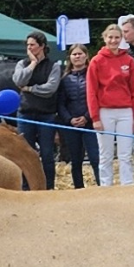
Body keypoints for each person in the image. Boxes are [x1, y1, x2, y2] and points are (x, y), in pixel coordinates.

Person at [85, 23, 134, 185]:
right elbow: (91, 91)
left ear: (121, 39)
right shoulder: (96, 61)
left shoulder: (129, 60)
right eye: (110, 37)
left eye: (117, 37)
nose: (113, 40)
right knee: (106, 154)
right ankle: (106, 185)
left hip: (126, 111)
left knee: (125, 153)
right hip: (105, 111)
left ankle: (127, 184)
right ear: (104, 38)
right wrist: (95, 117)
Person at [13, 32, 65, 188]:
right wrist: (33, 64)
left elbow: (50, 88)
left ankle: (48, 186)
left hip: (46, 115)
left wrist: (30, 89)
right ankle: (26, 187)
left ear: (42, 46)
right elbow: (18, 80)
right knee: (25, 153)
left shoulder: (53, 66)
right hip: (25, 113)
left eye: (32, 45)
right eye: (28, 45)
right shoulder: (22, 64)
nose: (29, 48)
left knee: (47, 153)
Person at [55, 43, 97, 187]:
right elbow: (61, 103)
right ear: (70, 57)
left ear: (86, 56)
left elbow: (96, 99)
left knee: (95, 158)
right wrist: (69, 119)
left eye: (80, 54)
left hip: (90, 123)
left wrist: (86, 117)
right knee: (76, 160)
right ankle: (78, 188)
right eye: (74, 54)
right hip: (71, 125)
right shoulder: (64, 79)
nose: (77, 56)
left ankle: (101, 186)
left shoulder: (93, 75)